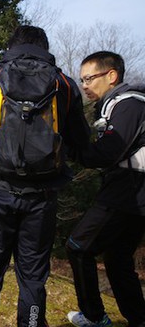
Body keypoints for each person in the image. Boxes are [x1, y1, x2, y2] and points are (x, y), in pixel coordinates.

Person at [0, 25, 90, 326]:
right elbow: (79, 141)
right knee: (33, 276)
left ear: (12, 46)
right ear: (45, 48)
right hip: (43, 195)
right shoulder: (64, 83)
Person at [65, 51, 145, 327]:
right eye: (81, 79)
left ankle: (95, 317)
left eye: (89, 78)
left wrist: (72, 150)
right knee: (118, 259)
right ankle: (139, 318)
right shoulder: (118, 104)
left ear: (111, 76)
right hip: (132, 189)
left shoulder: (128, 104)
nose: (84, 85)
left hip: (128, 188)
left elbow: (108, 152)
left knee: (78, 246)